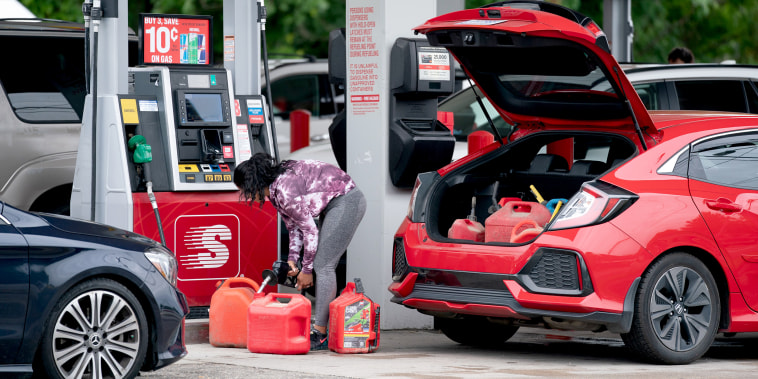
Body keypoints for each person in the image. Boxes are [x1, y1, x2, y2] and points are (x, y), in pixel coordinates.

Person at [233, 152, 367, 351]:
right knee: (321, 263)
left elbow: (310, 230)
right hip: (332, 205)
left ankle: (320, 334)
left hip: (346, 201)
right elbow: (293, 227)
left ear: (254, 184)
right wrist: (293, 261)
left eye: (245, 190)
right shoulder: (276, 190)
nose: (247, 195)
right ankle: (321, 330)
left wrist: (306, 271)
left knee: (323, 266)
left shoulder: (285, 191)